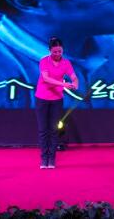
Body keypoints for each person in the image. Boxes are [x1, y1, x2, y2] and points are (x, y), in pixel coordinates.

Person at [34, 37, 78, 169]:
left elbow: (73, 76)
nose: (57, 54)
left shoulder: (66, 63)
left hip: (57, 100)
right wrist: (63, 84)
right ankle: (44, 159)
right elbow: (46, 78)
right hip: (42, 98)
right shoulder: (44, 61)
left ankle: (52, 159)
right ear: (49, 50)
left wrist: (75, 83)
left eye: (60, 51)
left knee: (54, 130)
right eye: (55, 52)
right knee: (43, 130)